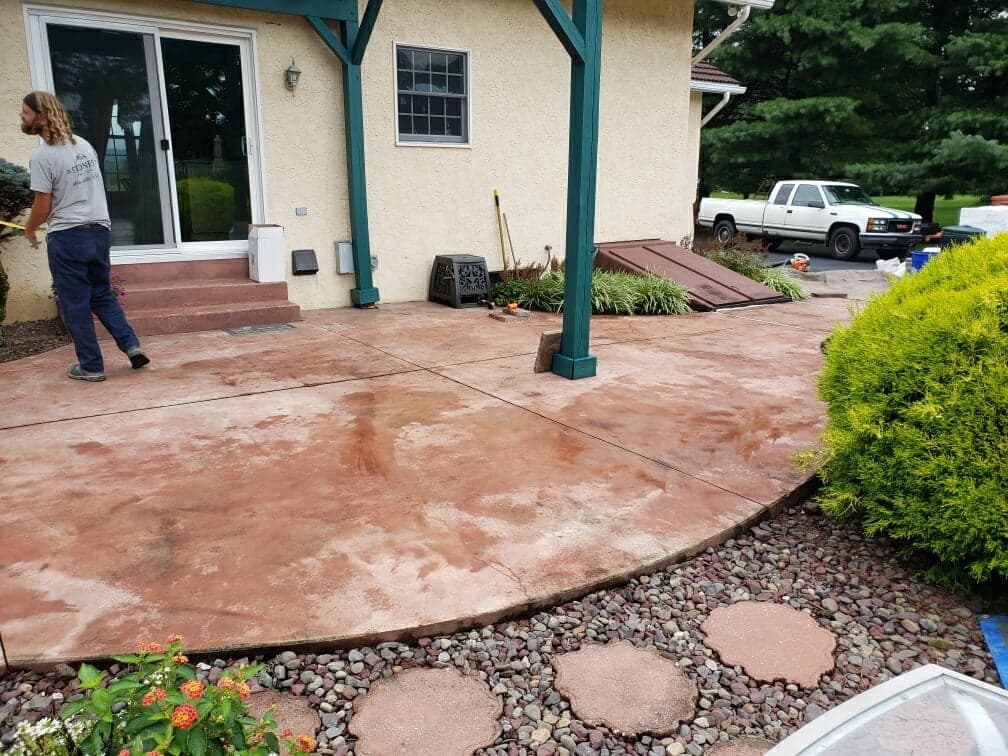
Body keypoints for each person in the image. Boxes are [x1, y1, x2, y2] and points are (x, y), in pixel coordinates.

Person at [20, 90, 149, 382]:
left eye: (26, 113)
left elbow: (43, 205)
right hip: (99, 231)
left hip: (68, 237)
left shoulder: (42, 156)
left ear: (41, 117)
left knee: (74, 302)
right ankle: (131, 346)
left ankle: (91, 366)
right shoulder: (84, 145)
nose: (22, 117)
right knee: (101, 293)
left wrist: (29, 228)